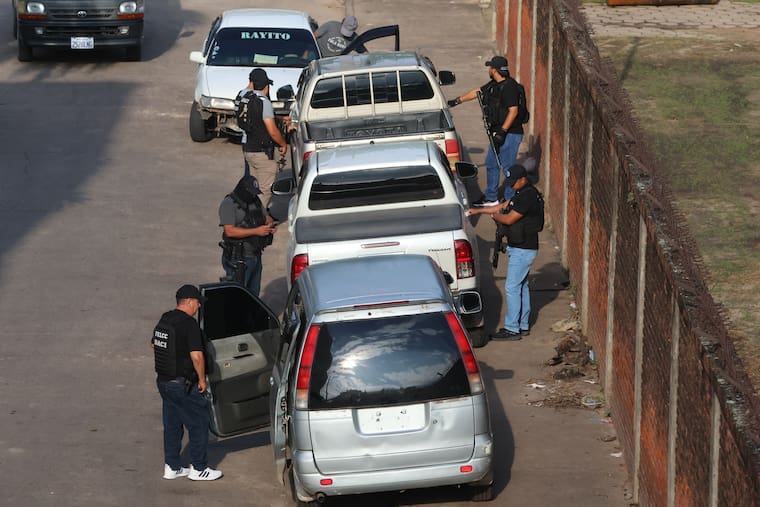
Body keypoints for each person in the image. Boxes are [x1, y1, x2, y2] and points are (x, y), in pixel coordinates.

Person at [152, 284, 223, 481]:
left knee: (172, 425)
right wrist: (201, 380)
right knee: (199, 423)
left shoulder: (166, 318)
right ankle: (199, 468)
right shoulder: (189, 325)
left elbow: (154, 343)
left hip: (164, 381)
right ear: (190, 301)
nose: (199, 306)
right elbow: (197, 356)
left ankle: (172, 466)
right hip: (183, 384)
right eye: (198, 303)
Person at [467, 165, 542, 341]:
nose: (510, 185)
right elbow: (502, 206)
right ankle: (522, 325)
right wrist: (478, 211)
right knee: (521, 286)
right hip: (522, 248)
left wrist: (495, 217)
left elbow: (508, 219)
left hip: (523, 249)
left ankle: (512, 328)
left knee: (512, 287)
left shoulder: (527, 197)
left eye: (513, 182)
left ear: (522, 179)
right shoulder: (522, 192)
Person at [447, 55, 524, 206]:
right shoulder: (494, 84)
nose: (489, 70)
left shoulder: (509, 87)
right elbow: (478, 92)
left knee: (507, 168)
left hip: (510, 134)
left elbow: (513, 111)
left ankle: (510, 200)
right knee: (491, 163)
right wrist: (457, 101)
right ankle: (491, 197)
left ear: (494, 70)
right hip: (497, 133)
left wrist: (503, 131)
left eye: (490, 67)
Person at [235, 68, 288, 208]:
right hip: (262, 151)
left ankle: (251, 213)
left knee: (253, 187)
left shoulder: (243, 97)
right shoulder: (263, 102)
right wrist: (283, 144)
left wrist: (278, 118)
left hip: (248, 147)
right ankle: (257, 217)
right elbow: (272, 131)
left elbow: (255, 118)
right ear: (266, 86)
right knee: (265, 190)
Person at [218, 175, 277, 296]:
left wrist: (270, 225)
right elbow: (229, 231)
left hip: (255, 254)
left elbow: (266, 217)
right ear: (243, 190)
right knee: (238, 295)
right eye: (251, 193)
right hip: (239, 257)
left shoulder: (255, 200)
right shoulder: (228, 204)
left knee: (253, 294)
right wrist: (256, 231)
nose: (253, 196)